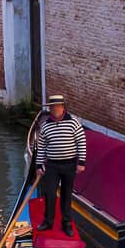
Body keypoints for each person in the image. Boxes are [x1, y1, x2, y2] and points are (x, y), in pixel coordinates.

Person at [35, 94, 86, 233]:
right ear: (50, 109)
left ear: (63, 107)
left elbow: (81, 142)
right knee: (50, 193)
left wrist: (81, 162)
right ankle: (48, 222)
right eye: (53, 107)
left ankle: (66, 223)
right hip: (52, 165)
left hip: (69, 165)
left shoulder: (73, 122)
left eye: (58, 106)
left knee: (66, 194)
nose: (55, 109)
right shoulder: (45, 126)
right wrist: (39, 165)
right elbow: (42, 147)